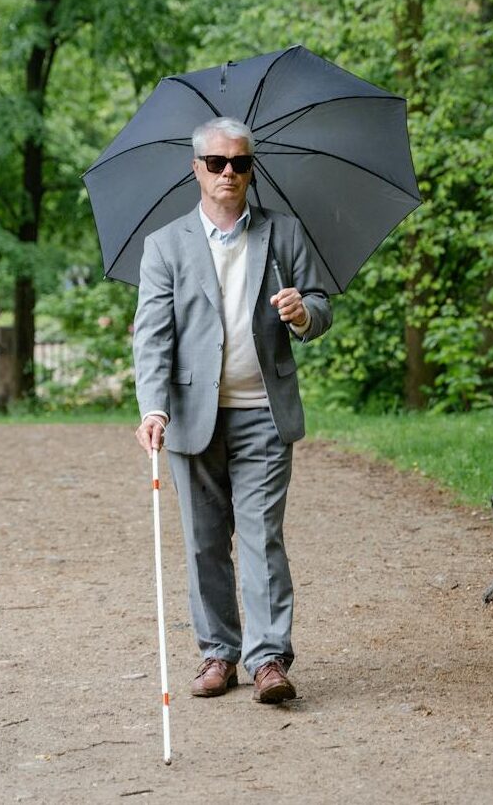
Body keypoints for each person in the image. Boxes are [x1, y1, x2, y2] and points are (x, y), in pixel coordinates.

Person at [132, 116, 333, 704]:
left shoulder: (285, 235)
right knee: (202, 542)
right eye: (217, 163)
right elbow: (152, 338)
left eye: (240, 163)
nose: (228, 173)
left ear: (251, 168)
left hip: (264, 413)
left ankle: (269, 658)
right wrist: (153, 408)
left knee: (261, 535)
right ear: (196, 168)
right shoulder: (165, 246)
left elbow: (320, 309)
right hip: (193, 418)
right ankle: (218, 653)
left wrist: (302, 313)